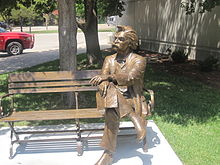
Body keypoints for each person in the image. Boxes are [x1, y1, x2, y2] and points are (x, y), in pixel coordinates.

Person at [90, 25, 149, 165]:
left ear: (130, 43)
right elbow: (102, 79)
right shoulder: (109, 59)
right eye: (115, 38)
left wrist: (108, 78)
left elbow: (131, 77)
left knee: (111, 107)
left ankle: (108, 154)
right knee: (109, 89)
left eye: (121, 39)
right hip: (110, 96)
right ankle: (134, 118)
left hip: (131, 98)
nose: (116, 41)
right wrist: (104, 82)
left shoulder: (139, 60)